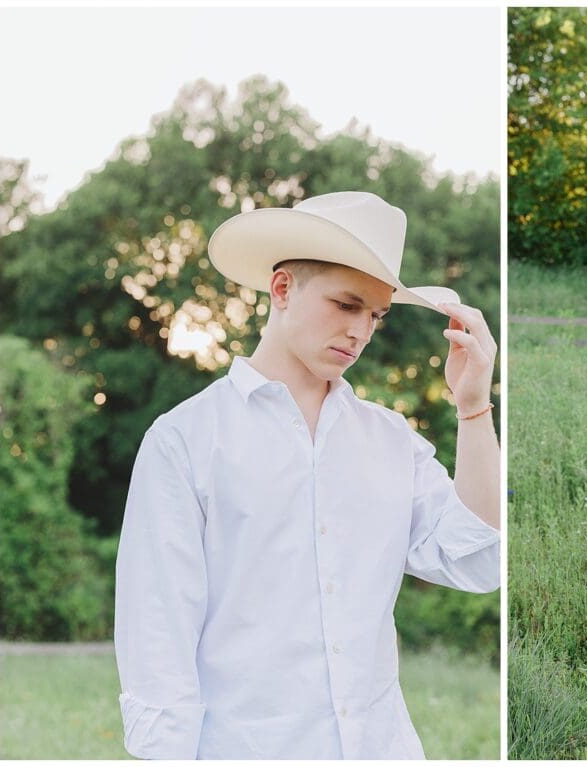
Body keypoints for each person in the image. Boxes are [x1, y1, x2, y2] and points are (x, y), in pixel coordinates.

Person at [114, 191, 501, 759]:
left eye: (375, 315)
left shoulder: (391, 440)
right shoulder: (185, 440)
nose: (361, 332)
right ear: (282, 289)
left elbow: (477, 559)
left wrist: (473, 408)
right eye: (347, 305)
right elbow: (156, 637)